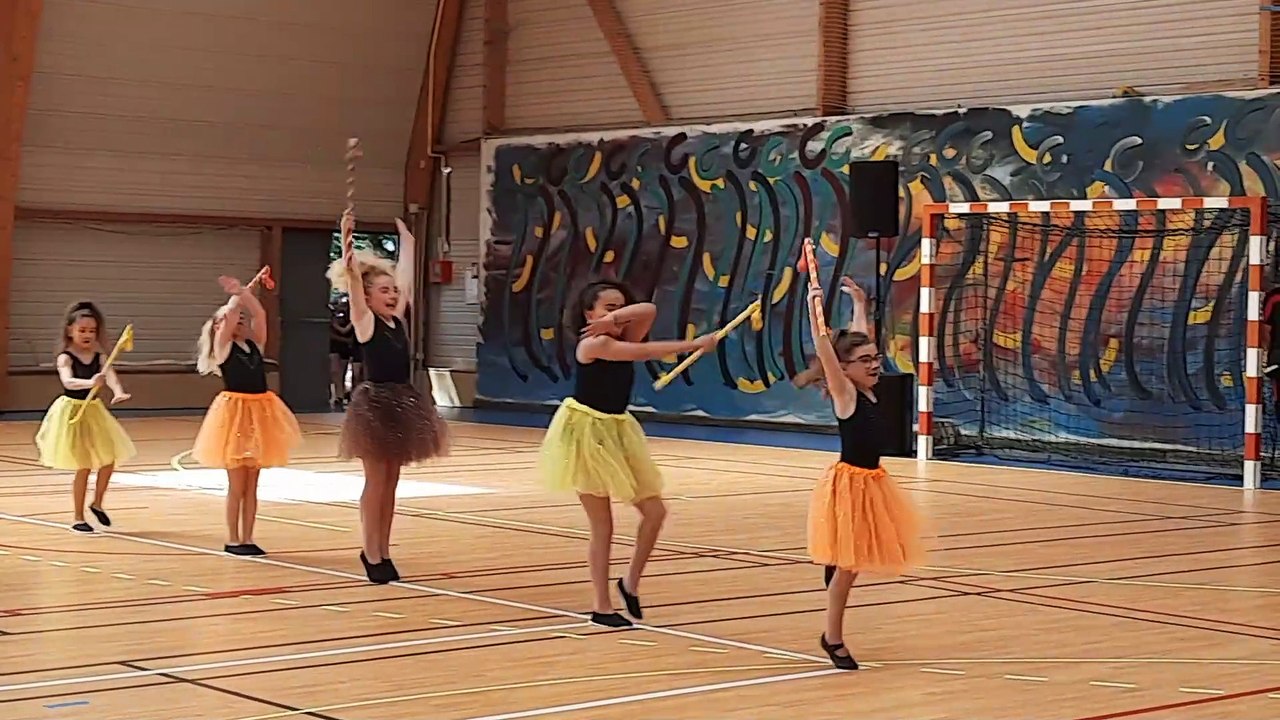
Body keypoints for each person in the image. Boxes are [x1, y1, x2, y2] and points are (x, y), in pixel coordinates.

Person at [538, 279, 719, 628]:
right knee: (602, 525)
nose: (618, 314)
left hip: (618, 430)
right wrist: (694, 344)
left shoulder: (622, 333)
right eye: (608, 308)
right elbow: (645, 353)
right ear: (588, 314)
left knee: (655, 512)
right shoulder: (594, 344)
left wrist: (614, 317)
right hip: (585, 433)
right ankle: (601, 606)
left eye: (621, 307)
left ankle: (630, 582)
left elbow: (648, 309)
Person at [800, 281, 924, 670]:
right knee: (848, 568)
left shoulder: (867, 386)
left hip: (872, 483)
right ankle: (832, 638)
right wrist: (814, 312)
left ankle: (833, 616)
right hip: (850, 485)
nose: (874, 365)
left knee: (850, 563)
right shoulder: (846, 393)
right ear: (844, 369)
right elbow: (827, 350)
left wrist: (858, 304)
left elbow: (858, 338)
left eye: (876, 358)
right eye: (865, 361)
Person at [328, 211, 448, 584]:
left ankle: (384, 547)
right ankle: (370, 550)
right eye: (384, 290)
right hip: (375, 406)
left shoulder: (399, 320)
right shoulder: (366, 322)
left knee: (392, 483)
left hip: (403, 403)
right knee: (376, 481)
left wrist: (408, 242)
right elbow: (353, 280)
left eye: (393, 290)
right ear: (367, 297)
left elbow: (406, 279)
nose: (393, 294)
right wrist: (346, 236)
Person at [191, 271, 302, 556]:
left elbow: (260, 314)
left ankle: (248, 537)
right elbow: (230, 313)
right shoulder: (224, 348)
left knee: (252, 485)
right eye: (232, 320)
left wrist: (245, 294)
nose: (239, 320)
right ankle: (232, 538)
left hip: (259, 413)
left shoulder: (254, 346)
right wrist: (237, 295)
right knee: (237, 485)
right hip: (235, 415)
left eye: (242, 319)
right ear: (218, 327)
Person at [34, 301, 136, 533]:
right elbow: (68, 381)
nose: (87, 335)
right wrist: (90, 383)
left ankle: (97, 503)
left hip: (94, 410)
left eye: (92, 330)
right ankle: (78, 517)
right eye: (82, 330)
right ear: (70, 331)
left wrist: (118, 391)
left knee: (109, 460)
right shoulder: (65, 357)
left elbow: (109, 374)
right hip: (72, 411)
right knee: (84, 466)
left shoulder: (99, 357)